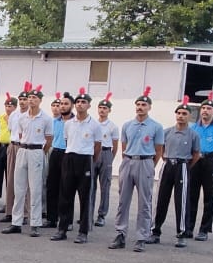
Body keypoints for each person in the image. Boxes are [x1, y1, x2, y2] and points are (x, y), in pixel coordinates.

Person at [110, 88, 163, 252]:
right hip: (128, 161)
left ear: (149, 107)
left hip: (145, 162)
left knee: (144, 203)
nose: (140, 107)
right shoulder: (127, 125)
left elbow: (159, 150)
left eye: (144, 105)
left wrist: (149, 166)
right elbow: (124, 146)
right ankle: (120, 234)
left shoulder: (156, 127)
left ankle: (141, 237)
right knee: (123, 201)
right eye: (138, 104)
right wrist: (129, 160)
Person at [53, 88, 102, 243]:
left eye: (84, 102)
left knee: (85, 197)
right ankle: (62, 229)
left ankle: (83, 231)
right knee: (65, 195)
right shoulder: (69, 124)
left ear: (88, 105)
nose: (80, 105)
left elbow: (97, 146)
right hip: (69, 158)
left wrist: (90, 160)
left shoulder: (94, 125)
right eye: (78, 102)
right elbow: (67, 141)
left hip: (85, 159)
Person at [152, 98, 201, 248]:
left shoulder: (193, 135)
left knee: (182, 201)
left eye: (184, 113)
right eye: (179, 113)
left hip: (183, 166)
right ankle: (155, 231)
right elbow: (160, 150)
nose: (181, 116)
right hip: (168, 166)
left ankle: (181, 234)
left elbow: (196, 155)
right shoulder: (167, 132)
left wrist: (185, 166)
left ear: (189, 116)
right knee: (161, 199)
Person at [5, 83, 50, 237]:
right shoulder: (21, 117)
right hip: (22, 150)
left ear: (40, 100)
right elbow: (18, 134)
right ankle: (16, 222)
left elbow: (48, 139)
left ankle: (35, 223)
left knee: (35, 189)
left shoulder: (45, 118)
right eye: (30, 97)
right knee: (19, 188)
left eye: (34, 98)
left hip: (36, 151)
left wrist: (39, 151)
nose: (31, 100)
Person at [185, 92, 213, 242]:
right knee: (191, 195)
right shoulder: (193, 127)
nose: (205, 111)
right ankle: (188, 228)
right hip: (196, 161)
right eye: (203, 108)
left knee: (209, 197)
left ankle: (204, 229)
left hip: (210, 160)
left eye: (209, 109)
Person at [45, 93, 74, 228]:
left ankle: (66, 220)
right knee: (52, 186)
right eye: (61, 104)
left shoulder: (75, 122)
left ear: (72, 106)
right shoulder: (53, 122)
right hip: (55, 152)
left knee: (67, 188)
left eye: (65, 104)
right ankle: (52, 218)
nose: (62, 106)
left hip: (68, 154)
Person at [94, 93, 119, 227]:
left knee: (105, 186)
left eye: (105, 108)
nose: (102, 110)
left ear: (109, 110)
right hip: (93, 153)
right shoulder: (93, 123)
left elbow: (115, 147)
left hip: (106, 153)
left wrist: (109, 158)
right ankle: (87, 213)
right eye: (100, 107)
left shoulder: (112, 126)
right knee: (90, 185)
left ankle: (101, 215)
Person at [0, 93, 18, 217]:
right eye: (7, 105)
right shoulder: (0, 118)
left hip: (11, 146)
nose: (8, 108)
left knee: (10, 176)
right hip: (0, 146)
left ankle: (10, 201)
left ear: (15, 107)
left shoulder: (16, 118)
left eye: (11, 106)